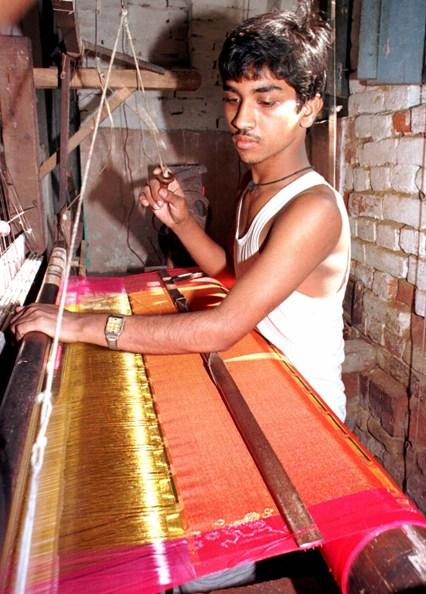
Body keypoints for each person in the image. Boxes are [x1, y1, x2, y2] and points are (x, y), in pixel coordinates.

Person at [11, 3, 350, 424]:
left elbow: (222, 327)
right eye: (232, 98)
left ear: (308, 109)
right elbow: (234, 276)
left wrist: (80, 325)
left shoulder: (313, 209)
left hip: (307, 412)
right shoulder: (256, 189)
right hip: (261, 377)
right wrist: (183, 222)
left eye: (266, 101)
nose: (241, 119)